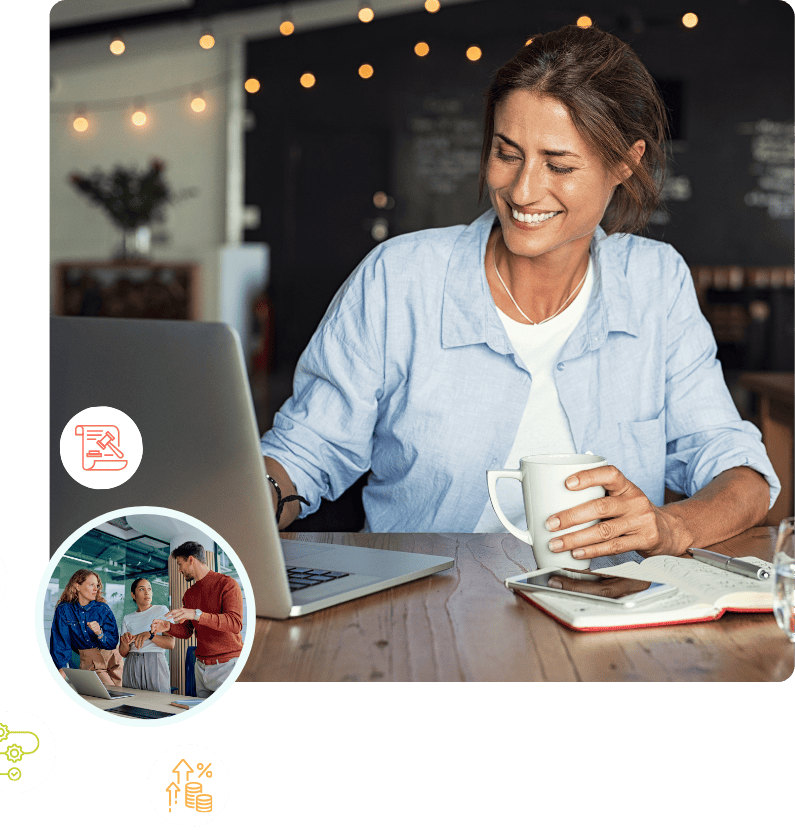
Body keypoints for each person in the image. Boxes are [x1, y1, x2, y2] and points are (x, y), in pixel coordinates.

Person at [259, 24, 779, 561]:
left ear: (625, 163)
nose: (523, 190)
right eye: (507, 154)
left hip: (610, 620)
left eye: (559, 165)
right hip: (423, 615)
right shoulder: (401, 278)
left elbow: (741, 474)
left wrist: (671, 527)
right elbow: (305, 450)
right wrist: (243, 504)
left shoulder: (655, 283)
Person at [150, 542, 243, 697]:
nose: (179, 570)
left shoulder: (227, 584)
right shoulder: (189, 594)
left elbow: (235, 623)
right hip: (200, 667)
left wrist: (197, 614)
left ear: (191, 560)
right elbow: (187, 631)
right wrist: (168, 627)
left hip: (227, 666)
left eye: (180, 564)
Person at [50, 568, 123, 685]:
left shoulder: (103, 608)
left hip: (112, 657)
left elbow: (112, 642)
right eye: (91, 585)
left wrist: (100, 633)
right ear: (77, 586)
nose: (96, 589)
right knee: (106, 694)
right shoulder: (64, 610)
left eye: (97, 585)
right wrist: (61, 670)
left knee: (119, 694)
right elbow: (60, 642)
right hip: (89, 658)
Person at [118, 577, 175, 693]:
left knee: (159, 703)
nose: (147, 592)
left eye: (149, 589)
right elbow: (123, 653)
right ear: (133, 595)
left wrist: (150, 635)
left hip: (154, 662)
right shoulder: (127, 618)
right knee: (131, 702)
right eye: (141, 589)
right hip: (131, 662)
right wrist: (124, 642)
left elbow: (170, 643)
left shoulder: (162, 610)